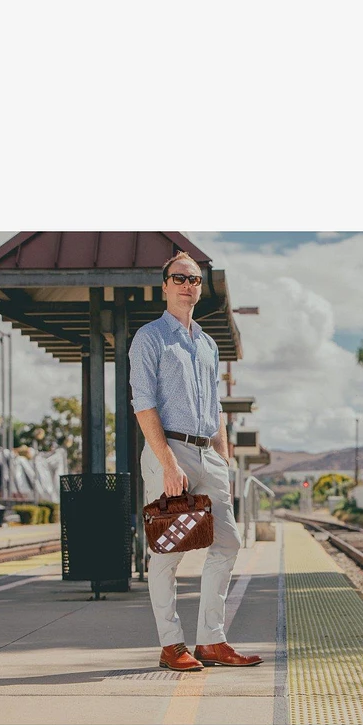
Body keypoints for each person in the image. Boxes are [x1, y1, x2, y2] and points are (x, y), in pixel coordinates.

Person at [129, 250, 262, 671]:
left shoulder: (206, 343)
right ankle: (172, 645)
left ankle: (211, 640)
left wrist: (222, 457)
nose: (188, 285)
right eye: (180, 278)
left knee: (228, 542)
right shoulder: (150, 338)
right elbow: (144, 405)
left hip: (208, 453)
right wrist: (167, 463)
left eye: (195, 280)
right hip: (170, 450)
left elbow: (216, 406)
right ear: (165, 285)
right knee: (167, 551)